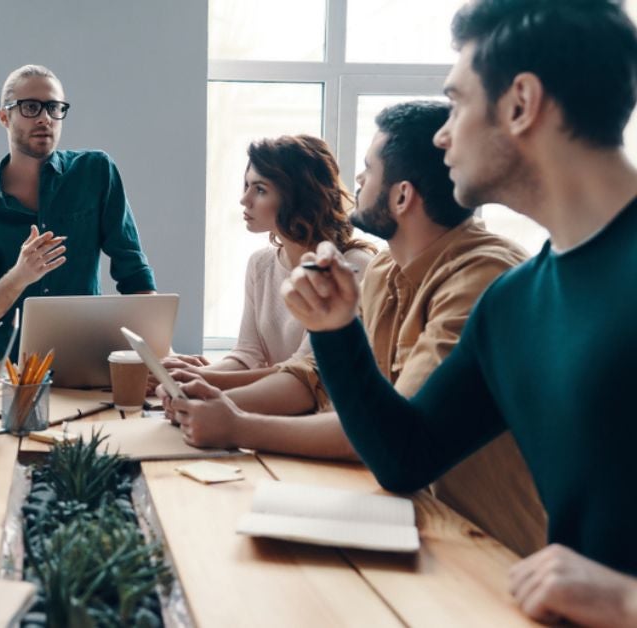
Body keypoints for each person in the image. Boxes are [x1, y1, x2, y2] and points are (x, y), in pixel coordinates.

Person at [280, 0, 637, 624]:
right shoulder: (515, 302)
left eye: (458, 101)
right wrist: (336, 329)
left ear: (521, 103)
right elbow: (405, 457)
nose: (443, 133)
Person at [164, 102, 544, 556]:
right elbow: (357, 412)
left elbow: (396, 440)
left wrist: (239, 426)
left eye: (368, 168)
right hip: (410, 515)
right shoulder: (383, 271)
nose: (358, 181)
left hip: (491, 548)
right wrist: (221, 401)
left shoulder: (481, 275)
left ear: (402, 197)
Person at [0, 64, 157, 364]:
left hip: (85, 359)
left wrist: (157, 353)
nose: (45, 118)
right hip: (8, 371)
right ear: (4, 117)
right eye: (31, 107)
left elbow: (133, 271)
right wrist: (20, 276)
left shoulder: (96, 172)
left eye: (54, 107)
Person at [155, 135, 376, 393]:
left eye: (260, 190)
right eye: (246, 185)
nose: (244, 199)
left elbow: (304, 372)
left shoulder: (352, 267)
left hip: (317, 415)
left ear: (298, 196)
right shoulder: (260, 264)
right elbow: (247, 354)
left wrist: (197, 380)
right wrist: (190, 373)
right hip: (273, 405)